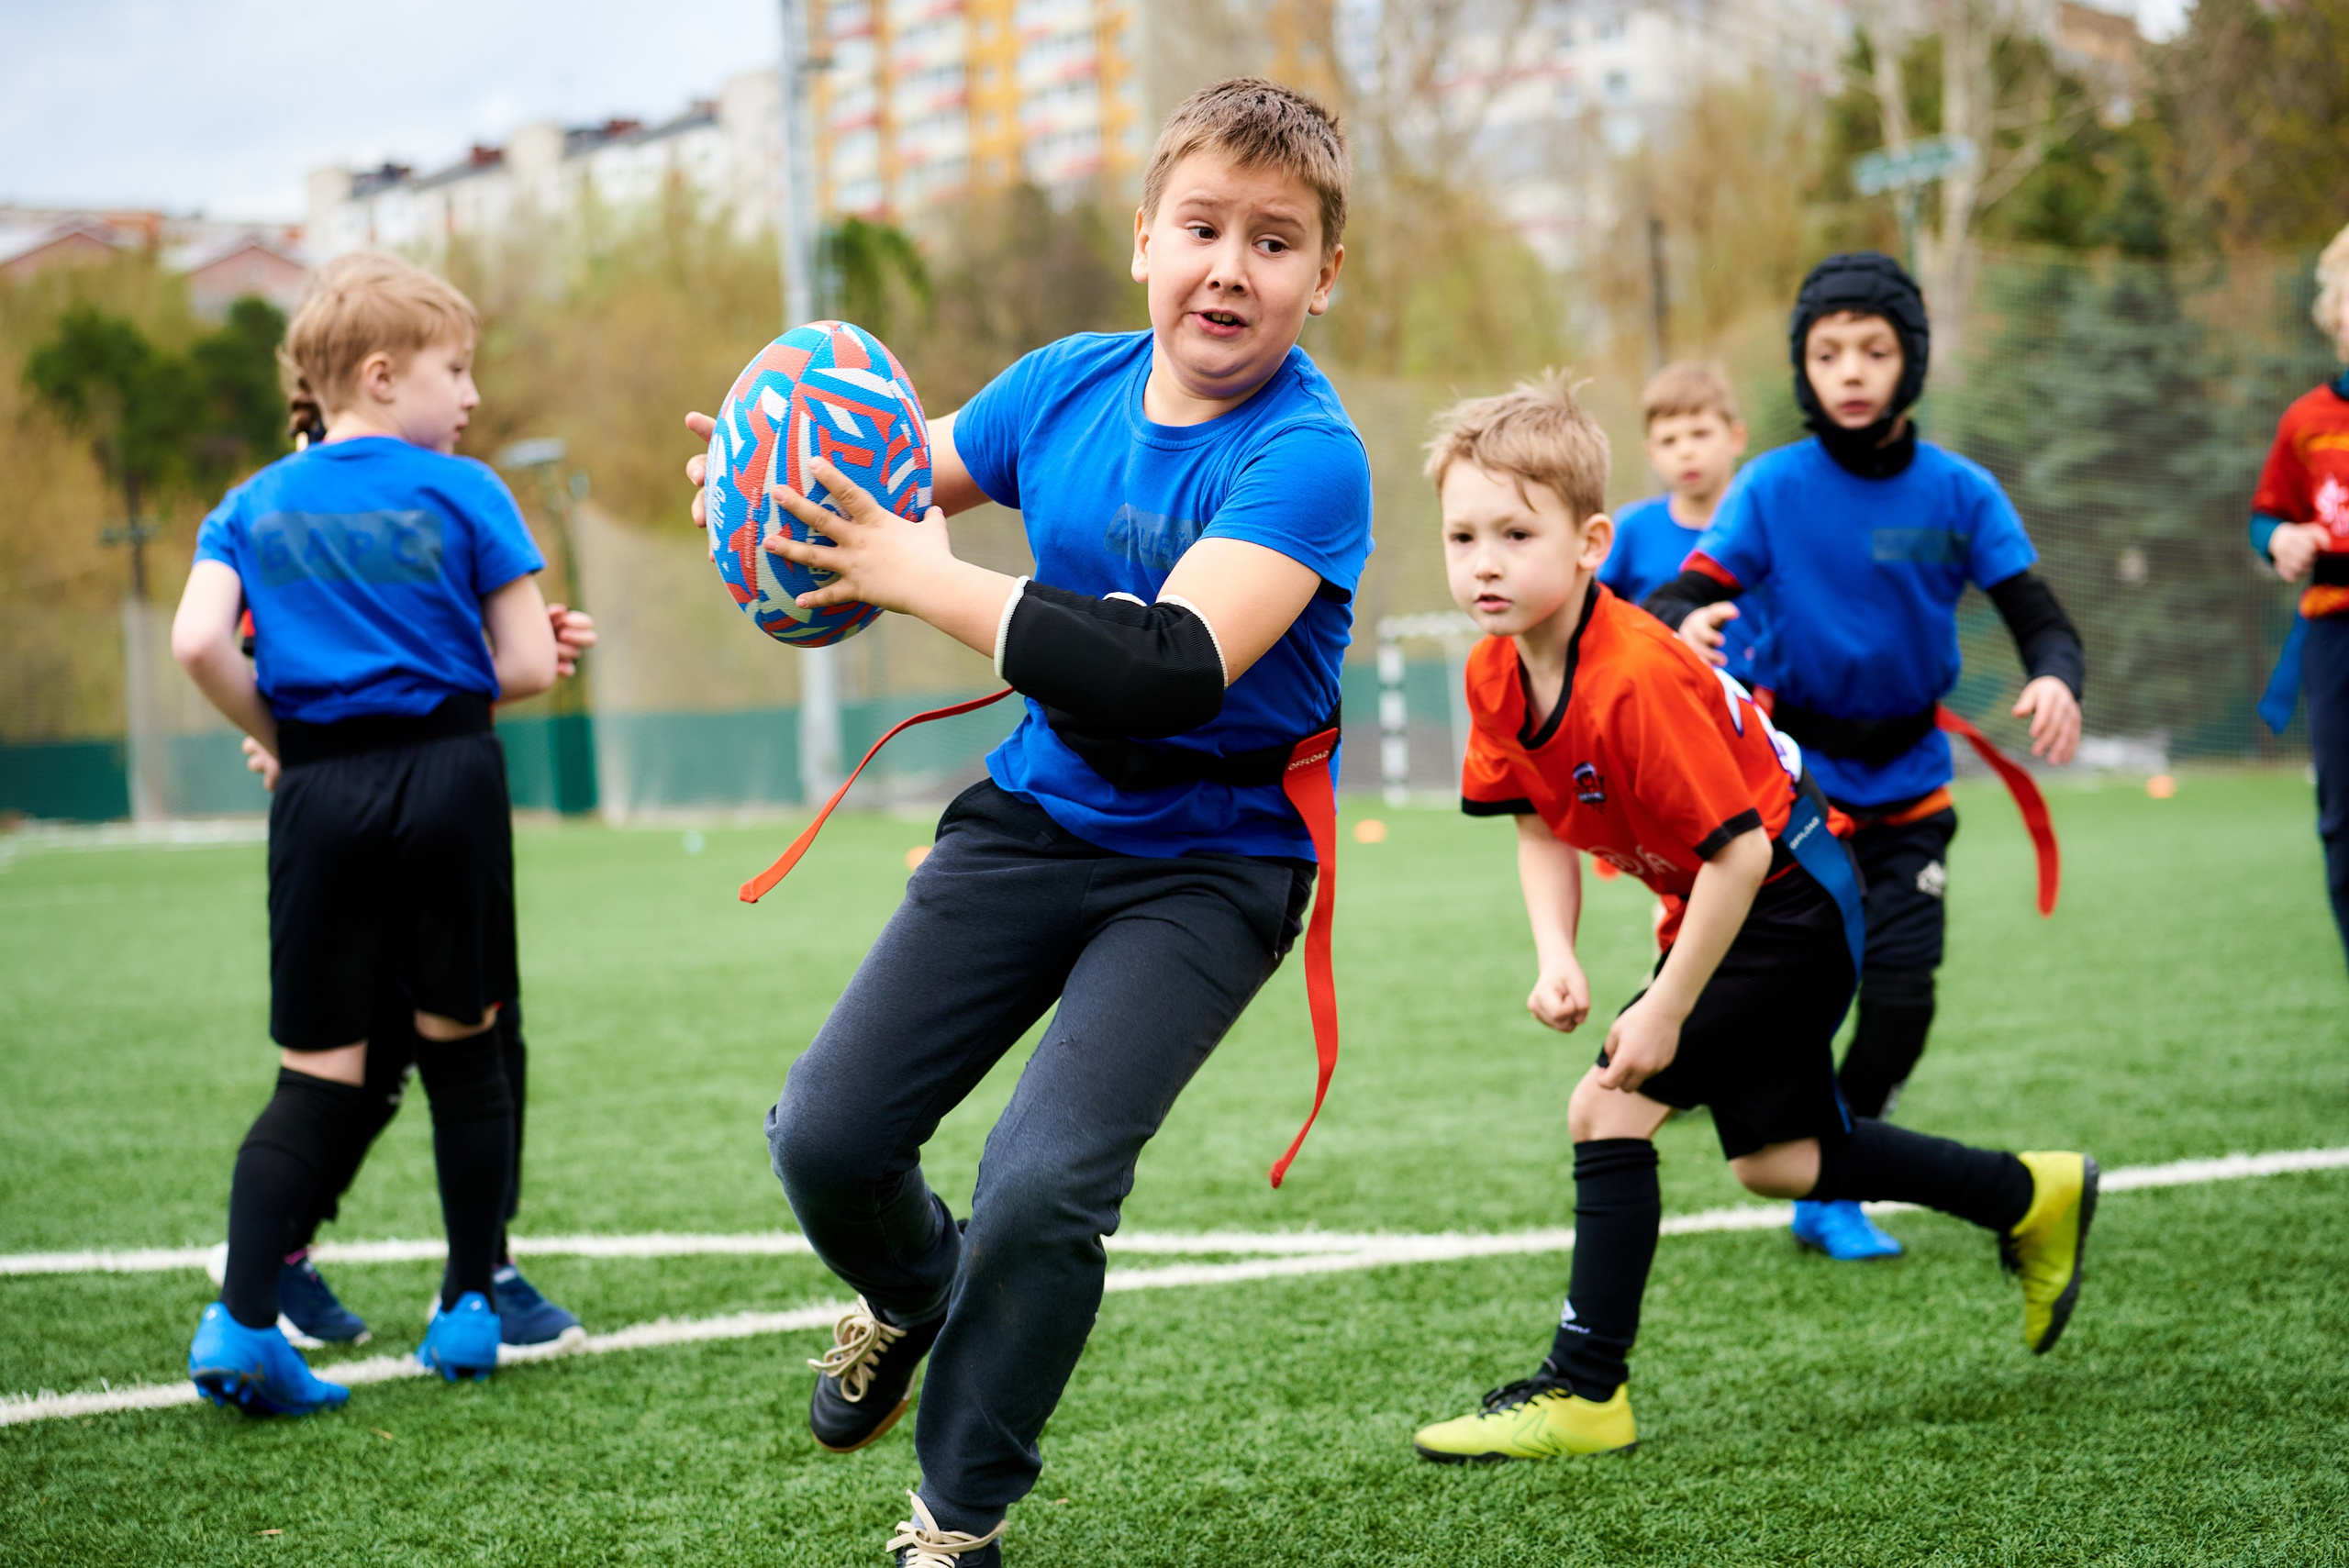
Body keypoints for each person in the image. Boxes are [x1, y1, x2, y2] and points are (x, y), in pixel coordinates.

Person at [682, 78, 1370, 1567]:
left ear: (1325, 274)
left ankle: (956, 1519)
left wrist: (913, 570)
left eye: (1274, 240)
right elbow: (882, 480)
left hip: (1212, 862)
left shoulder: (1310, 456)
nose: (1230, 267)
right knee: (828, 1136)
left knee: (1047, 1179)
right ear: (1143, 239)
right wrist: (768, 485)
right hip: (1038, 810)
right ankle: (912, 1289)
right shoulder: (1062, 385)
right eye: (1202, 227)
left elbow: (1167, 668)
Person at [1407, 373, 2097, 1465]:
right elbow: (1538, 822)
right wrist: (1555, 953)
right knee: (1777, 1162)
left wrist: (1669, 1004)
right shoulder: (1496, 671)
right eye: (1461, 535)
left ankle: (1586, 1392)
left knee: (1607, 1104)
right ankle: (2027, 1191)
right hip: (1743, 901)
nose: (1482, 560)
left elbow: (1738, 851)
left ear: (1591, 542)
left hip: (1790, 903)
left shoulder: (1633, 674)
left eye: (1513, 533)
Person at [172, 250, 558, 1413]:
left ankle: (242, 1323)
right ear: (384, 376)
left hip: (318, 799)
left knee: (319, 1076)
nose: (473, 396)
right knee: (464, 1052)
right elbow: (531, 661)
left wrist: (284, 735)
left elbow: (198, 643)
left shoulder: (248, 502)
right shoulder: (469, 489)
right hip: (448, 780)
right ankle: (468, 1306)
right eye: (457, 369)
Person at [1645, 252, 2086, 1262]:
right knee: (1777, 996)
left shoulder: (1961, 492)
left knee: (1900, 998)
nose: (1850, 369)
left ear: (1910, 361)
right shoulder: (1768, 487)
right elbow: (1677, 596)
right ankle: (1700, 1082)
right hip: (1795, 800)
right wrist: (1688, 622)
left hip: (1911, 791)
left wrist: (2056, 677)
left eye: (1874, 349)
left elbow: (2043, 622)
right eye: (1828, 350)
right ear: (1804, 368)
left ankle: (1829, 1178)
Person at [218, 596, 594, 1353]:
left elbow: (425, 644)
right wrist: (286, 739)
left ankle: (480, 1266)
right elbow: (257, 647)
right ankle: (278, 1247)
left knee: (487, 1028)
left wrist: (509, 643)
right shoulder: (315, 496)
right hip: (363, 810)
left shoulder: (442, 497)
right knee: (369, 1048)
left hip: (435, 801)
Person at [2249, 221, 2349, 968]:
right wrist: (2277, 540)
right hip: (2333, 635)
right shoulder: (2306, 421)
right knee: (2342, 819)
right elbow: (2265, 515)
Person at [1597, 361, 1768, 684]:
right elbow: (1601, 617)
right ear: (1651, 454)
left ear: (1736, 437)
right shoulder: (1633, 528)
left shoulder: (1765, 524)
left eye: (1700, 434)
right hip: (1659, 698)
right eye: (1669, 441)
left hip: (1759, 707)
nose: (1686, 451)